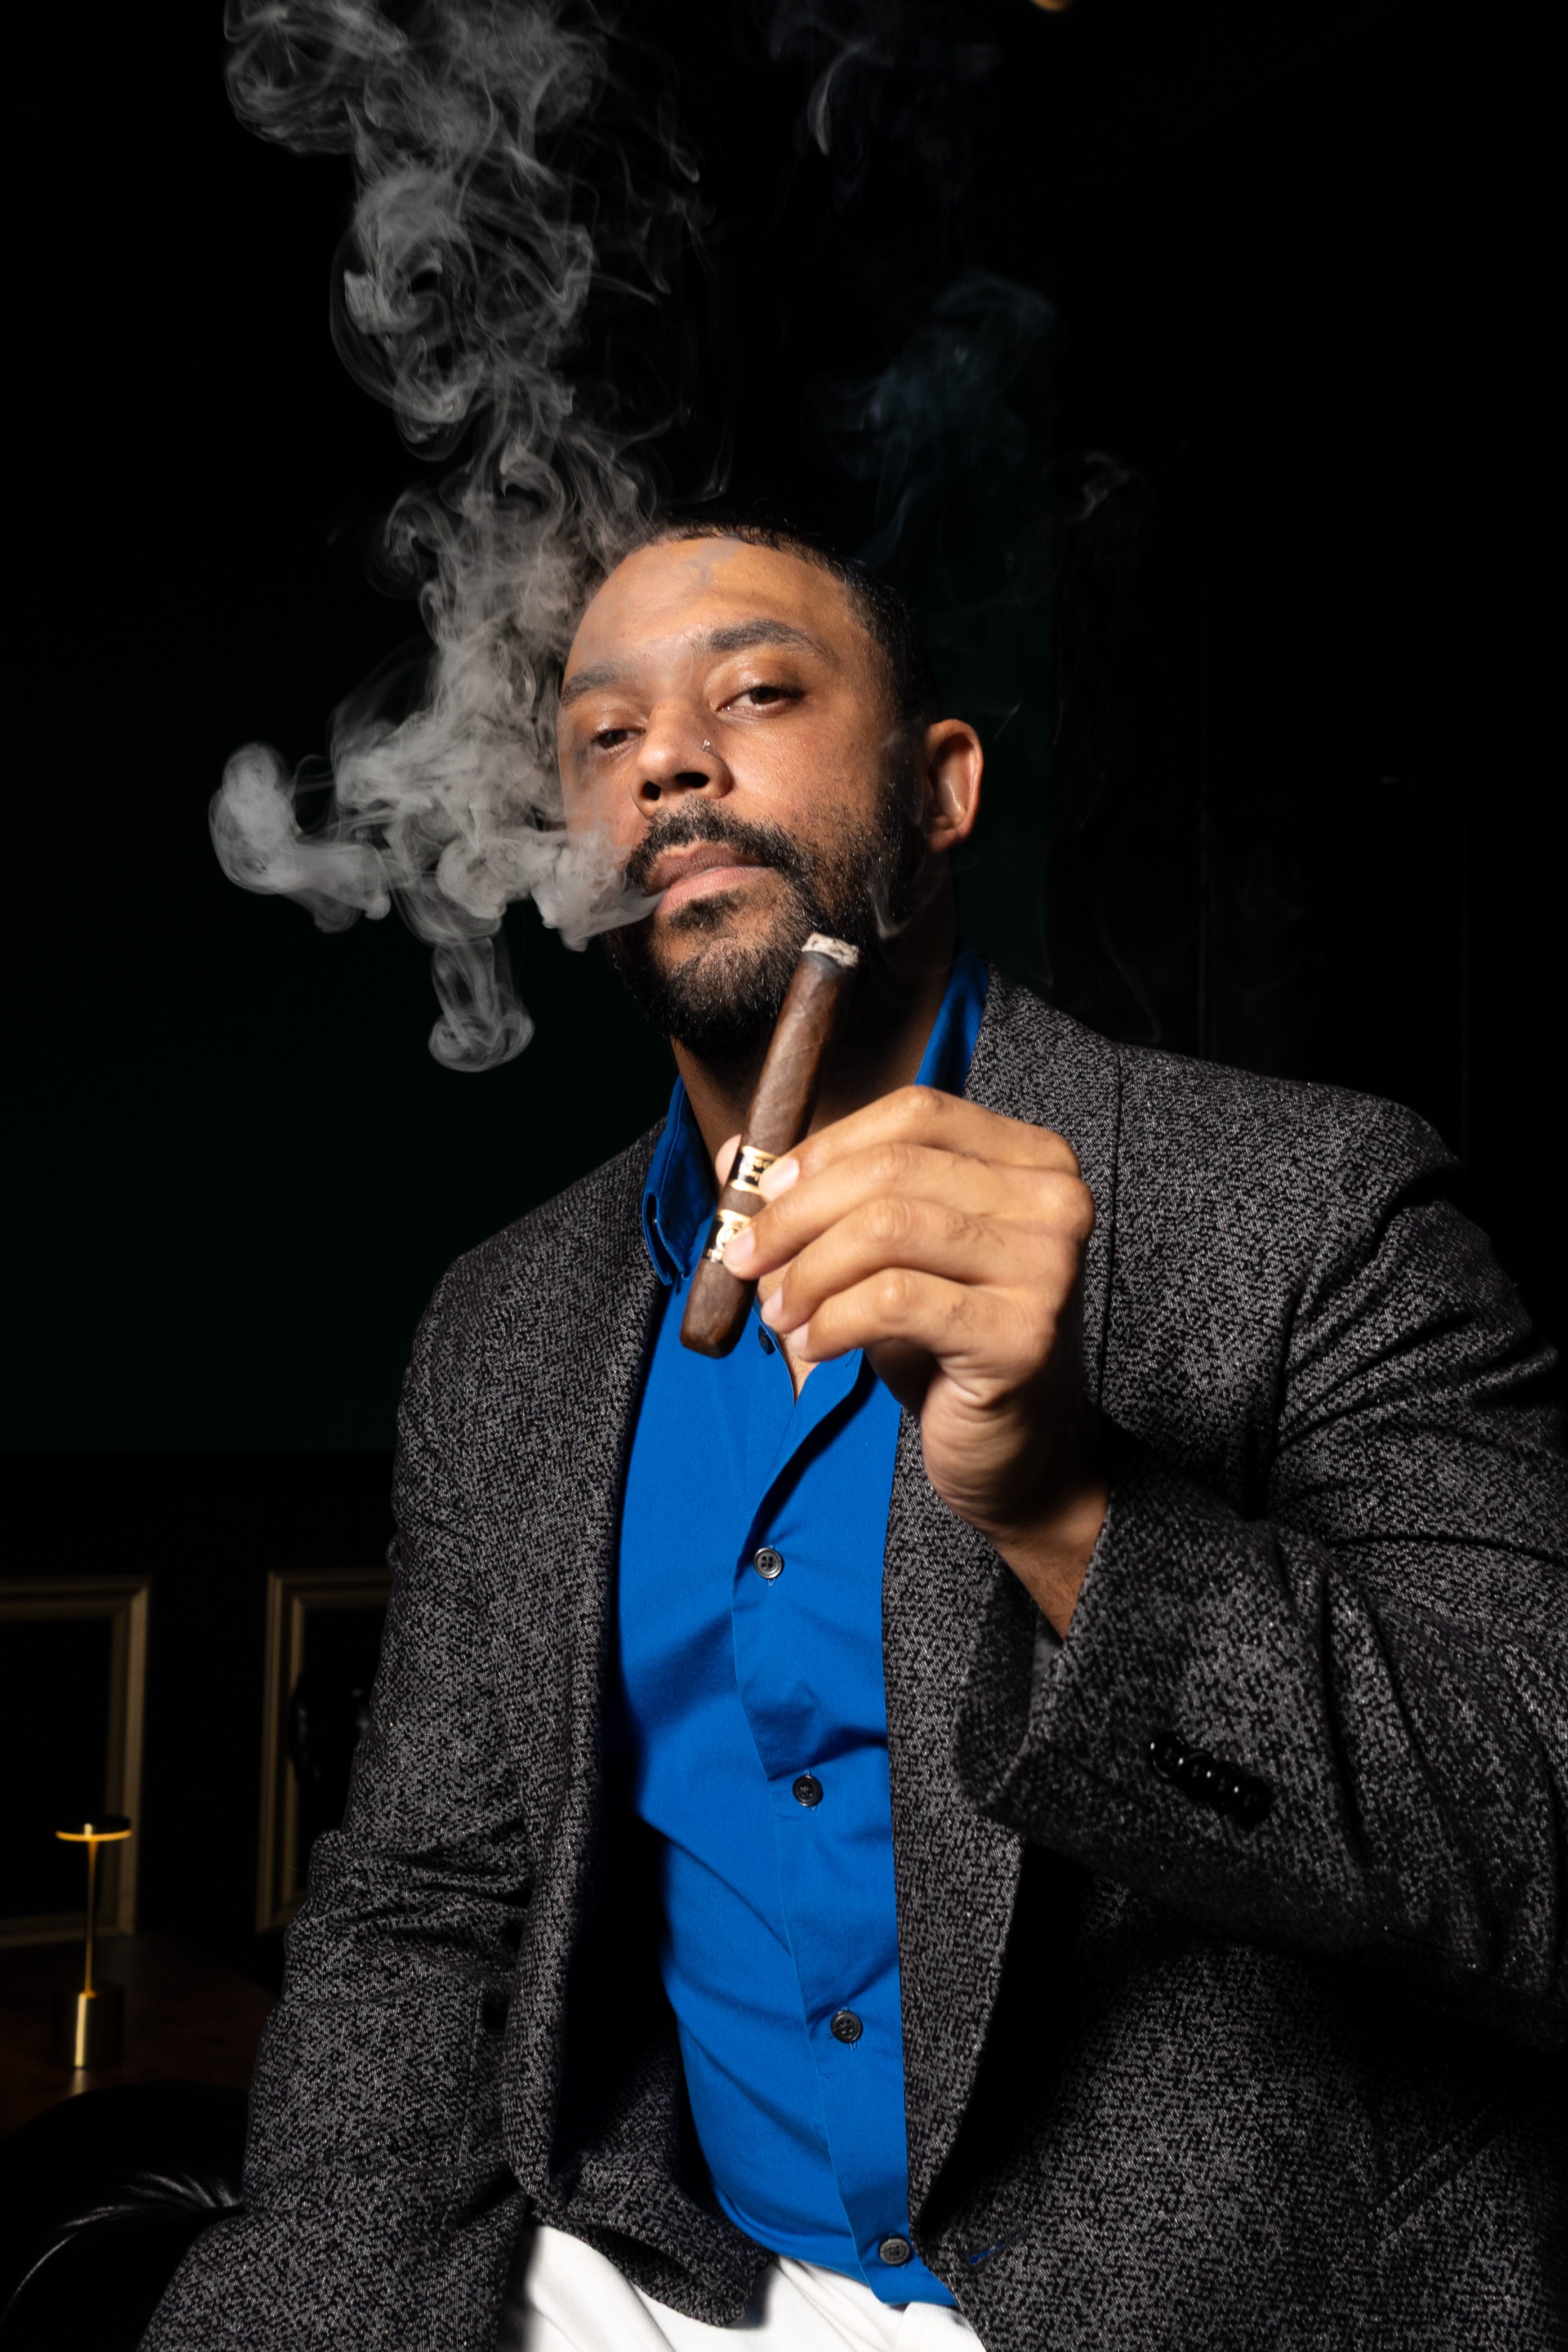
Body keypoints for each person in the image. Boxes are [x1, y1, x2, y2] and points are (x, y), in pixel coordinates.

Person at [145, 522, 1566, 2352]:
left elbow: (1535, 1851)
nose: (670, 760)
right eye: (604, 736)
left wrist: (1069, 1504)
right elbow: (423, 1905)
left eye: (756, 692)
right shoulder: (504, 1328)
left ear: (942, 788)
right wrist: (309, 2298)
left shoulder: (1309, 1208)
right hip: (682, 2277)